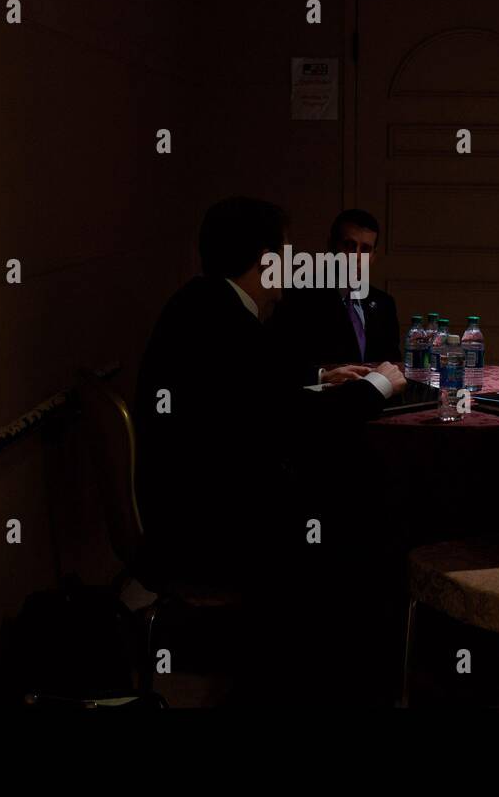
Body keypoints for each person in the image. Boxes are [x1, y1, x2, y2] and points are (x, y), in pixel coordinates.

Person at [134, 197, 405, 591]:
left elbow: (252, 388)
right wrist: (378, 384)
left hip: (185, 500)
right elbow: (296, 420)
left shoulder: (203, 302)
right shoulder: (228, 322)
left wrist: (321, 374)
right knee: (359, 503)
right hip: (208, 529)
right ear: (265, 259)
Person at [270, 209, 402, 387]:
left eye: (365, 249)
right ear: (331, 246)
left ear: (373, 256)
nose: (356, 257)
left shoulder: (384, 303)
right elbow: (280, 365)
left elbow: (392, 365)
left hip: (375, 403)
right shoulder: (298, 297)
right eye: (349, 245)